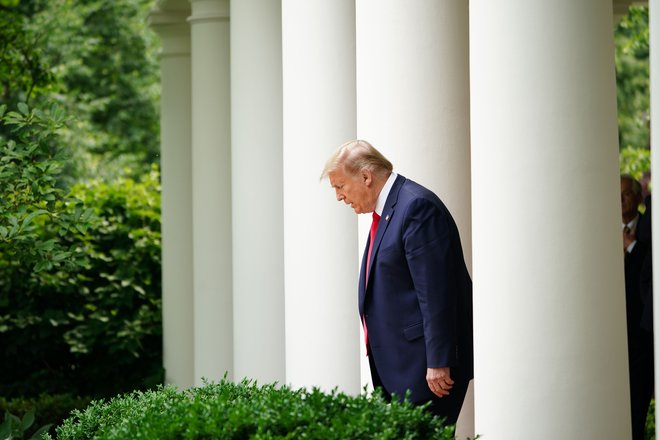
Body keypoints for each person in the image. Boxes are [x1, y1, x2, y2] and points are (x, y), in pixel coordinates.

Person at [321, 140, 473, 425]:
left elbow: (436, 292)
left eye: (340, 186)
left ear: (366, 177)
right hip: (402, 370)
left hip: (426, 372)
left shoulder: (415, 207)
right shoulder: (391, 209)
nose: (340, 196)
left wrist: (438, 362)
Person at [620, 174, 654, 440]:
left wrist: (631, 246)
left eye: (626, 194)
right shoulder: (602, 228)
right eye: (616, 194)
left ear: (637, 198)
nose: (620, 200)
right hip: (614, 334)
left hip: (641, 334)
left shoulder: (646, 229)